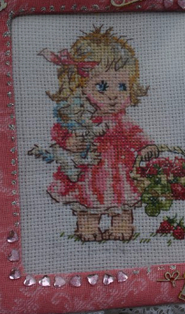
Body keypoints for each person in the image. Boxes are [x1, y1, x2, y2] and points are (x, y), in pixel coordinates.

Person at [42, 27, 159, 241]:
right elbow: (60, 130)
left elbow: (134, 134)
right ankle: (87, 228)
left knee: (123, 200)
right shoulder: (78, 116)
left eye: (122, 86)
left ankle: (121, 227)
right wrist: (70, 141)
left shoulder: (120, 120)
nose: (113, 95)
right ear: (79, 86)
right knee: (86, 199)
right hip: (89, 169)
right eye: (102, 86)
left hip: (118, 170)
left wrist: (147, 146)